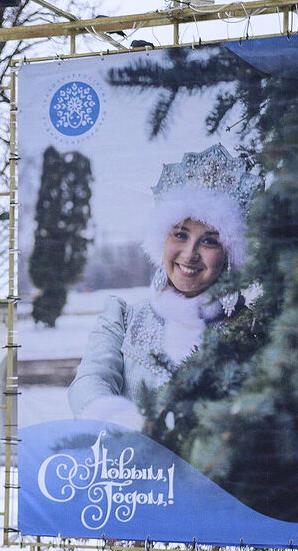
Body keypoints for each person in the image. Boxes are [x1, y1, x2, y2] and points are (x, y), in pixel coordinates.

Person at [68, 144, 259, 431]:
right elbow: (89, 383)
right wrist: (128, 424)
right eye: (180, 235)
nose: (189, 254)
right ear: (162, 240)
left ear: (229, 254)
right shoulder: (123, 318)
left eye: (209, 241)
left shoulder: (251, 329)